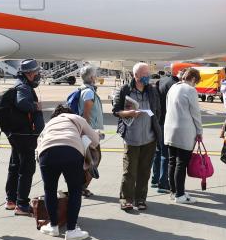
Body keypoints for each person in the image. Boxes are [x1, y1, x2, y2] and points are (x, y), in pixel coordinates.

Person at [36, 105, 101, 240]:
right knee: (75, 190)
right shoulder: (76, 118)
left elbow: (39, 143)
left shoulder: (49, 124)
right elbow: (95, 140)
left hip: (46, 153)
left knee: (50, 190)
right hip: (70, 151)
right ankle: (71, 230)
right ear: (69, 112)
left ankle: (53, 226)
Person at [112, 62, 162, 211]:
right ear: (136, 75)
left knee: (145, 171)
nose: (148, 77)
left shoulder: (152, 91)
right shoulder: (125, 89)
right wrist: (128, 113)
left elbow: (158, 110)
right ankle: (126, 199)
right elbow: (116, 111)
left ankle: (140, 199)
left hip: (149, 138)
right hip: (131, 137)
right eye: (144, 74)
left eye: (148, 74)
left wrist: (154, 124)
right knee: (129, 171)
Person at [5, 59, 45, 216]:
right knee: (26, 169)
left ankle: (11, 200)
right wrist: (36, 107)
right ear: (29, 74)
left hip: (17, 134)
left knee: (15, 166)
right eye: (36, 73)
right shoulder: (23, 87)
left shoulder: (19, 84)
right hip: (24, 136)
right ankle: (21, 204)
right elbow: (22, 103)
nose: (37, 76)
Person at [164, 67, 205, 204]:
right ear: (193, 79)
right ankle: (180, 195)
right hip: (184, 131)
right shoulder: (190, 90)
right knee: (181, 164)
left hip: (170, 129)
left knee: (172, 162)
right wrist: (199, 131)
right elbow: (195, 113)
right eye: (196, 82)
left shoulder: (173, 87)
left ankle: (174, 191)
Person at [77, 64, 105, 197]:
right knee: (94, 160)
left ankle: (81, 186)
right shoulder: (88, 92)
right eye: (95, 74)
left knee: (90, 161)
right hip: (90, 133)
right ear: (92, 77)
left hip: (90, 133)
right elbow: (86, 114)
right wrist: (89, 133)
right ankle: (81, 187)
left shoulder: (87, 90)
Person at [151, 67, 179, 194]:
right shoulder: (175, 85)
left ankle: (154, 179)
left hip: (158, 120)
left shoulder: (161, 81)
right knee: (165, 154)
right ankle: (163, 183)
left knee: (158, 152)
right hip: (168, 122)